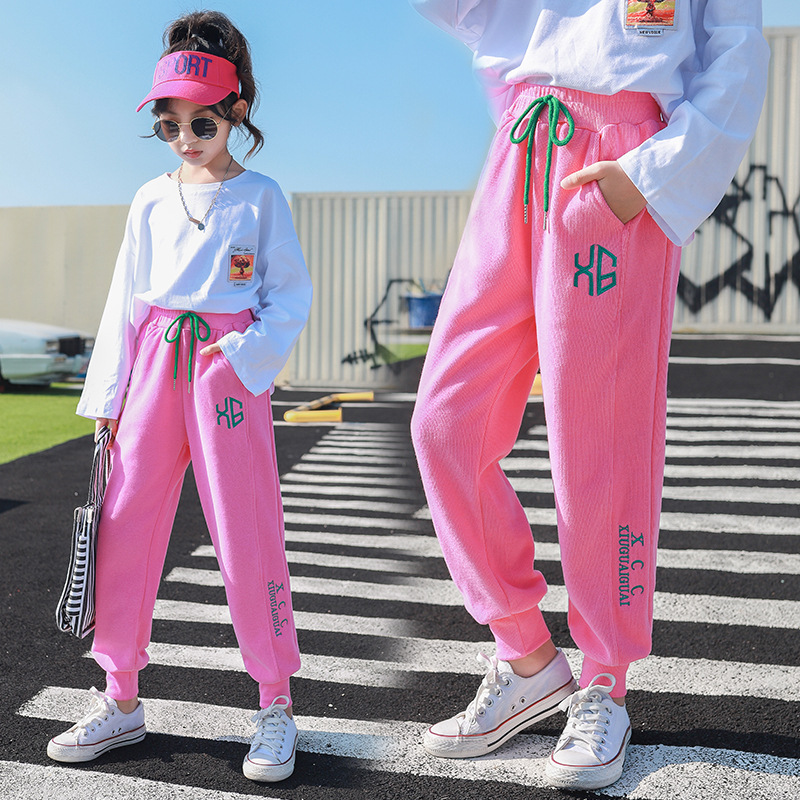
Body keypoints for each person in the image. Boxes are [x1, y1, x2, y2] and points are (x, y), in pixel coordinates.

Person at [408, 0, 768, 791]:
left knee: (599, 442)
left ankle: (606, 679)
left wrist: (652, 172)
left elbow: (737, 49)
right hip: (521, 143)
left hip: (618, 156)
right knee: (444, 422)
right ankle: (527, 657)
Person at [46, 11, 312, 784]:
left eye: (202, 122)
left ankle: (274, 703)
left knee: (246, 528)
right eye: (170, 125)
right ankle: (119, 696)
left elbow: (289, 295)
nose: (186, 138)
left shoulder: (261, 196)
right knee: (125, 524)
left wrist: (244, 357)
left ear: (235, 112)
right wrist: (109, 394)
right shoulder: (149, 199)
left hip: (226, 367)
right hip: (154, 363)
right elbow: (124, 298)